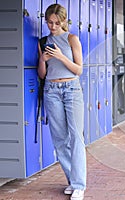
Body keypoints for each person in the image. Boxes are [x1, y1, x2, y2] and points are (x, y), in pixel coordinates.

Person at [38, 4, 86, 200]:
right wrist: (43, 59)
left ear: (65, 21)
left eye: (57, 23)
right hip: (51, 90)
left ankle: (79, 185)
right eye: (49, 22)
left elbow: (78, 69)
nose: (52, 26)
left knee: (76, 138)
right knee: (59, 139)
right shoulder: (43, 41)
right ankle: (72, 181)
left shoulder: (72, 39)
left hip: (71, 90)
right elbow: (42, 74)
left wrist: (59, 56)